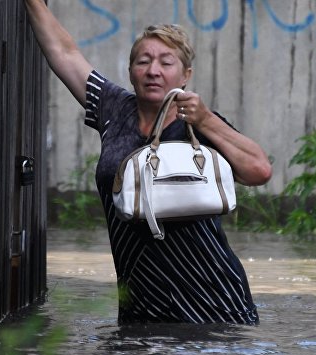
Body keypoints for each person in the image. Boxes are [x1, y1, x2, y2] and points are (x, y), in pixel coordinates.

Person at [25, 0, 272, 324]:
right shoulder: (113, 109)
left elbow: (259, 171)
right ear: (130, 71)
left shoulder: (201, 124)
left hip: (214, 305)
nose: (153, 70)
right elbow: (65, 53)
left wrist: (205, 119)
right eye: (143, 61)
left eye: (166, 63)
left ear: (186, 75)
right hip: (141, 306)